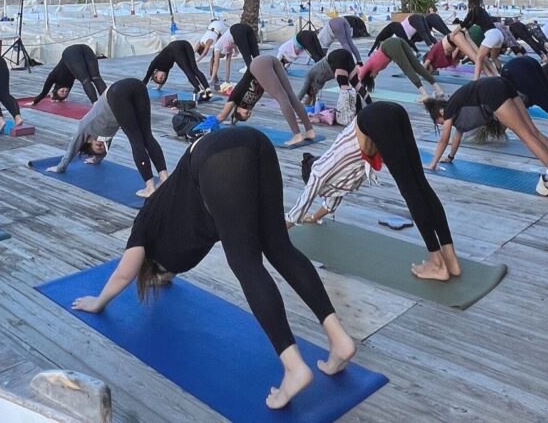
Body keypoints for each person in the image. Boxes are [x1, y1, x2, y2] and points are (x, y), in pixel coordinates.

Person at [70, 127, 356, 410]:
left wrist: (99, 302)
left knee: (246, 264)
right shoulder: (177, 226)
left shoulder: (145, 223)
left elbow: (125, 272)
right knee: (280, 248)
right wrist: (162, 276)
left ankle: (294, 367)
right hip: (254, 141)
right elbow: (167, 267)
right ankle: (339, 340)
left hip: (217, 159)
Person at [287, 102, 459, 280]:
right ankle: (450, 258)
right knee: (420, 184)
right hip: (393, 111)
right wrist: (314, 218)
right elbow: (331, 202)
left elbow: (300, 207)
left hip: (375, 120)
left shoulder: (317, 172)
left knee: (410, 190)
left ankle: (437, 264)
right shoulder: (334, 171)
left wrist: (274, 232)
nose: (322, 194)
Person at [423, 78, 548, 201]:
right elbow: (457, 136)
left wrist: (433, 163)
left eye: (438, 122)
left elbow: (444, 140)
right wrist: (450, 158)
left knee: (526, 136)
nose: (442, 125)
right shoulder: (459, 110)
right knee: (534, 132)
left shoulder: (449, 108)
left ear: (441, 113)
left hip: (492, 93)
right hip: (503, 84)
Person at [46, 78, 169, 197]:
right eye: (102, 147)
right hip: (136, 86)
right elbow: (103, 146)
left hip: (118, 92)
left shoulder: (86, 126)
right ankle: (164, 179)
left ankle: (150, 187)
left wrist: (60, 167)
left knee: (136, 139)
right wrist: (96, 159)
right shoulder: (104, 137)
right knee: (147, 137)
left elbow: (73, 146)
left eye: (98, 145)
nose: (102, 144)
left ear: (89, 140)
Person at [213, 54, 316, 146]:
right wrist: (232, 122)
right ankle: (309, 130)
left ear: (238, 109)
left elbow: (223, 116)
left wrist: (209, 123)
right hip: (270, 60)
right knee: (290, 96)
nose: (248, 113)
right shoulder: (249, 105)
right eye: (249, 115)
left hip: (259, 64)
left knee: (282, 97)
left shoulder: (235, 98)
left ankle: (297, 135)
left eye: (245, 114)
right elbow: (236, 117)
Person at [359, 36, 444, 102]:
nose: (375, 76)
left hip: (390, 45)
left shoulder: (368, 64)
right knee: (416, 66)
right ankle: (438, 90)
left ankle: (424, 94)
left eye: (373, 77)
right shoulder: (376, 68)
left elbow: (358, 78)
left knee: (407, 69)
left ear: (370, 74)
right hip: (396, 41)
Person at [31, 44, 106, 105]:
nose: (65, 90)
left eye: (62, 91)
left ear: (55, 90)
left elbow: (44, 93)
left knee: (86, 80)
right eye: (66, 92)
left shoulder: (53, 76)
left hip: (70, 53)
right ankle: (108, 102)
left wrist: (35, 101)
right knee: (96, 78)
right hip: (86, 49)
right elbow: (60, 96)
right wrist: (59, 99)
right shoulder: (69, 84)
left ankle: (96, 105)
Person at [297, 49, 372, 107]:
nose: (316, 92)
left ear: (310, 88)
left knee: (345, 89)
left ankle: (349, 112)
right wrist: (310, 99)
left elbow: (302, 92)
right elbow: (311, 98)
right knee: (356, 85)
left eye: (313, 91)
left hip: (335, 59)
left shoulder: (309, 76)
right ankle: (370, 104)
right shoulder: (317, 84)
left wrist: (294, 104)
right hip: (345, 54)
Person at [144, 40, 213, 101]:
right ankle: (207, 89)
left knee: (188, 71)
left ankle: (200, 91)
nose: (163, 77)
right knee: (194, 69)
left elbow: (146, 78)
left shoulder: (154, 64)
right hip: (185, 44)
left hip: (175, 48)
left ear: (155, 73)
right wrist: (158, 88)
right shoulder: (165, 70)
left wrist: (139, 90)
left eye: (160, 77)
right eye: (163, 79)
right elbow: (162, 81)